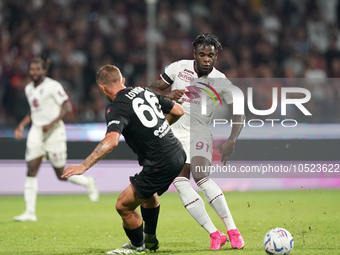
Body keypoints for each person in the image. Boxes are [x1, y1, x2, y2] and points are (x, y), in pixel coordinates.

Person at [61, 65, 186, 255]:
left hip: (161, 161)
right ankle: (150, 239)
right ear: (123, 81)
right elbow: (178, 110)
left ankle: (138, 247)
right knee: (147, 195)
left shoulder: (116, 107)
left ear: (102, 88)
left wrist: (83, 166)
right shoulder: (143, 91)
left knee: (123, 205)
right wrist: (162, 130)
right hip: (176, 152)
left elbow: (111, 142)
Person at [149, 33, 246, 250]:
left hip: (200, 134)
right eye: (202, 55)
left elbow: (239, 112)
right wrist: (167, 96)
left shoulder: (221, 80)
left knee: (202, 177)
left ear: (216, 56)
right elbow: (150, 90)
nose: (206, 59)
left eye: (210, 55)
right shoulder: (177, 68)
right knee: (181, 183)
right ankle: (214, 233)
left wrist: (232, 139)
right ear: (195, 54)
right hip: (172, 135)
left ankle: (232, 229)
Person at [14, 57, 99, 222]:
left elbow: (67, 107)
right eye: (32, 69)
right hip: (37, 131)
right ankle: (29, 212)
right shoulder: (29, 89)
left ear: (44, 70)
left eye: (37, 69)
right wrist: (21, 125)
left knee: (61, 174)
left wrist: (51, 123)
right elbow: (34, 111)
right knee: (31, 169)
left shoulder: (53, 86)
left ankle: (88, 182)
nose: (34, 72)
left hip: (54, 132)